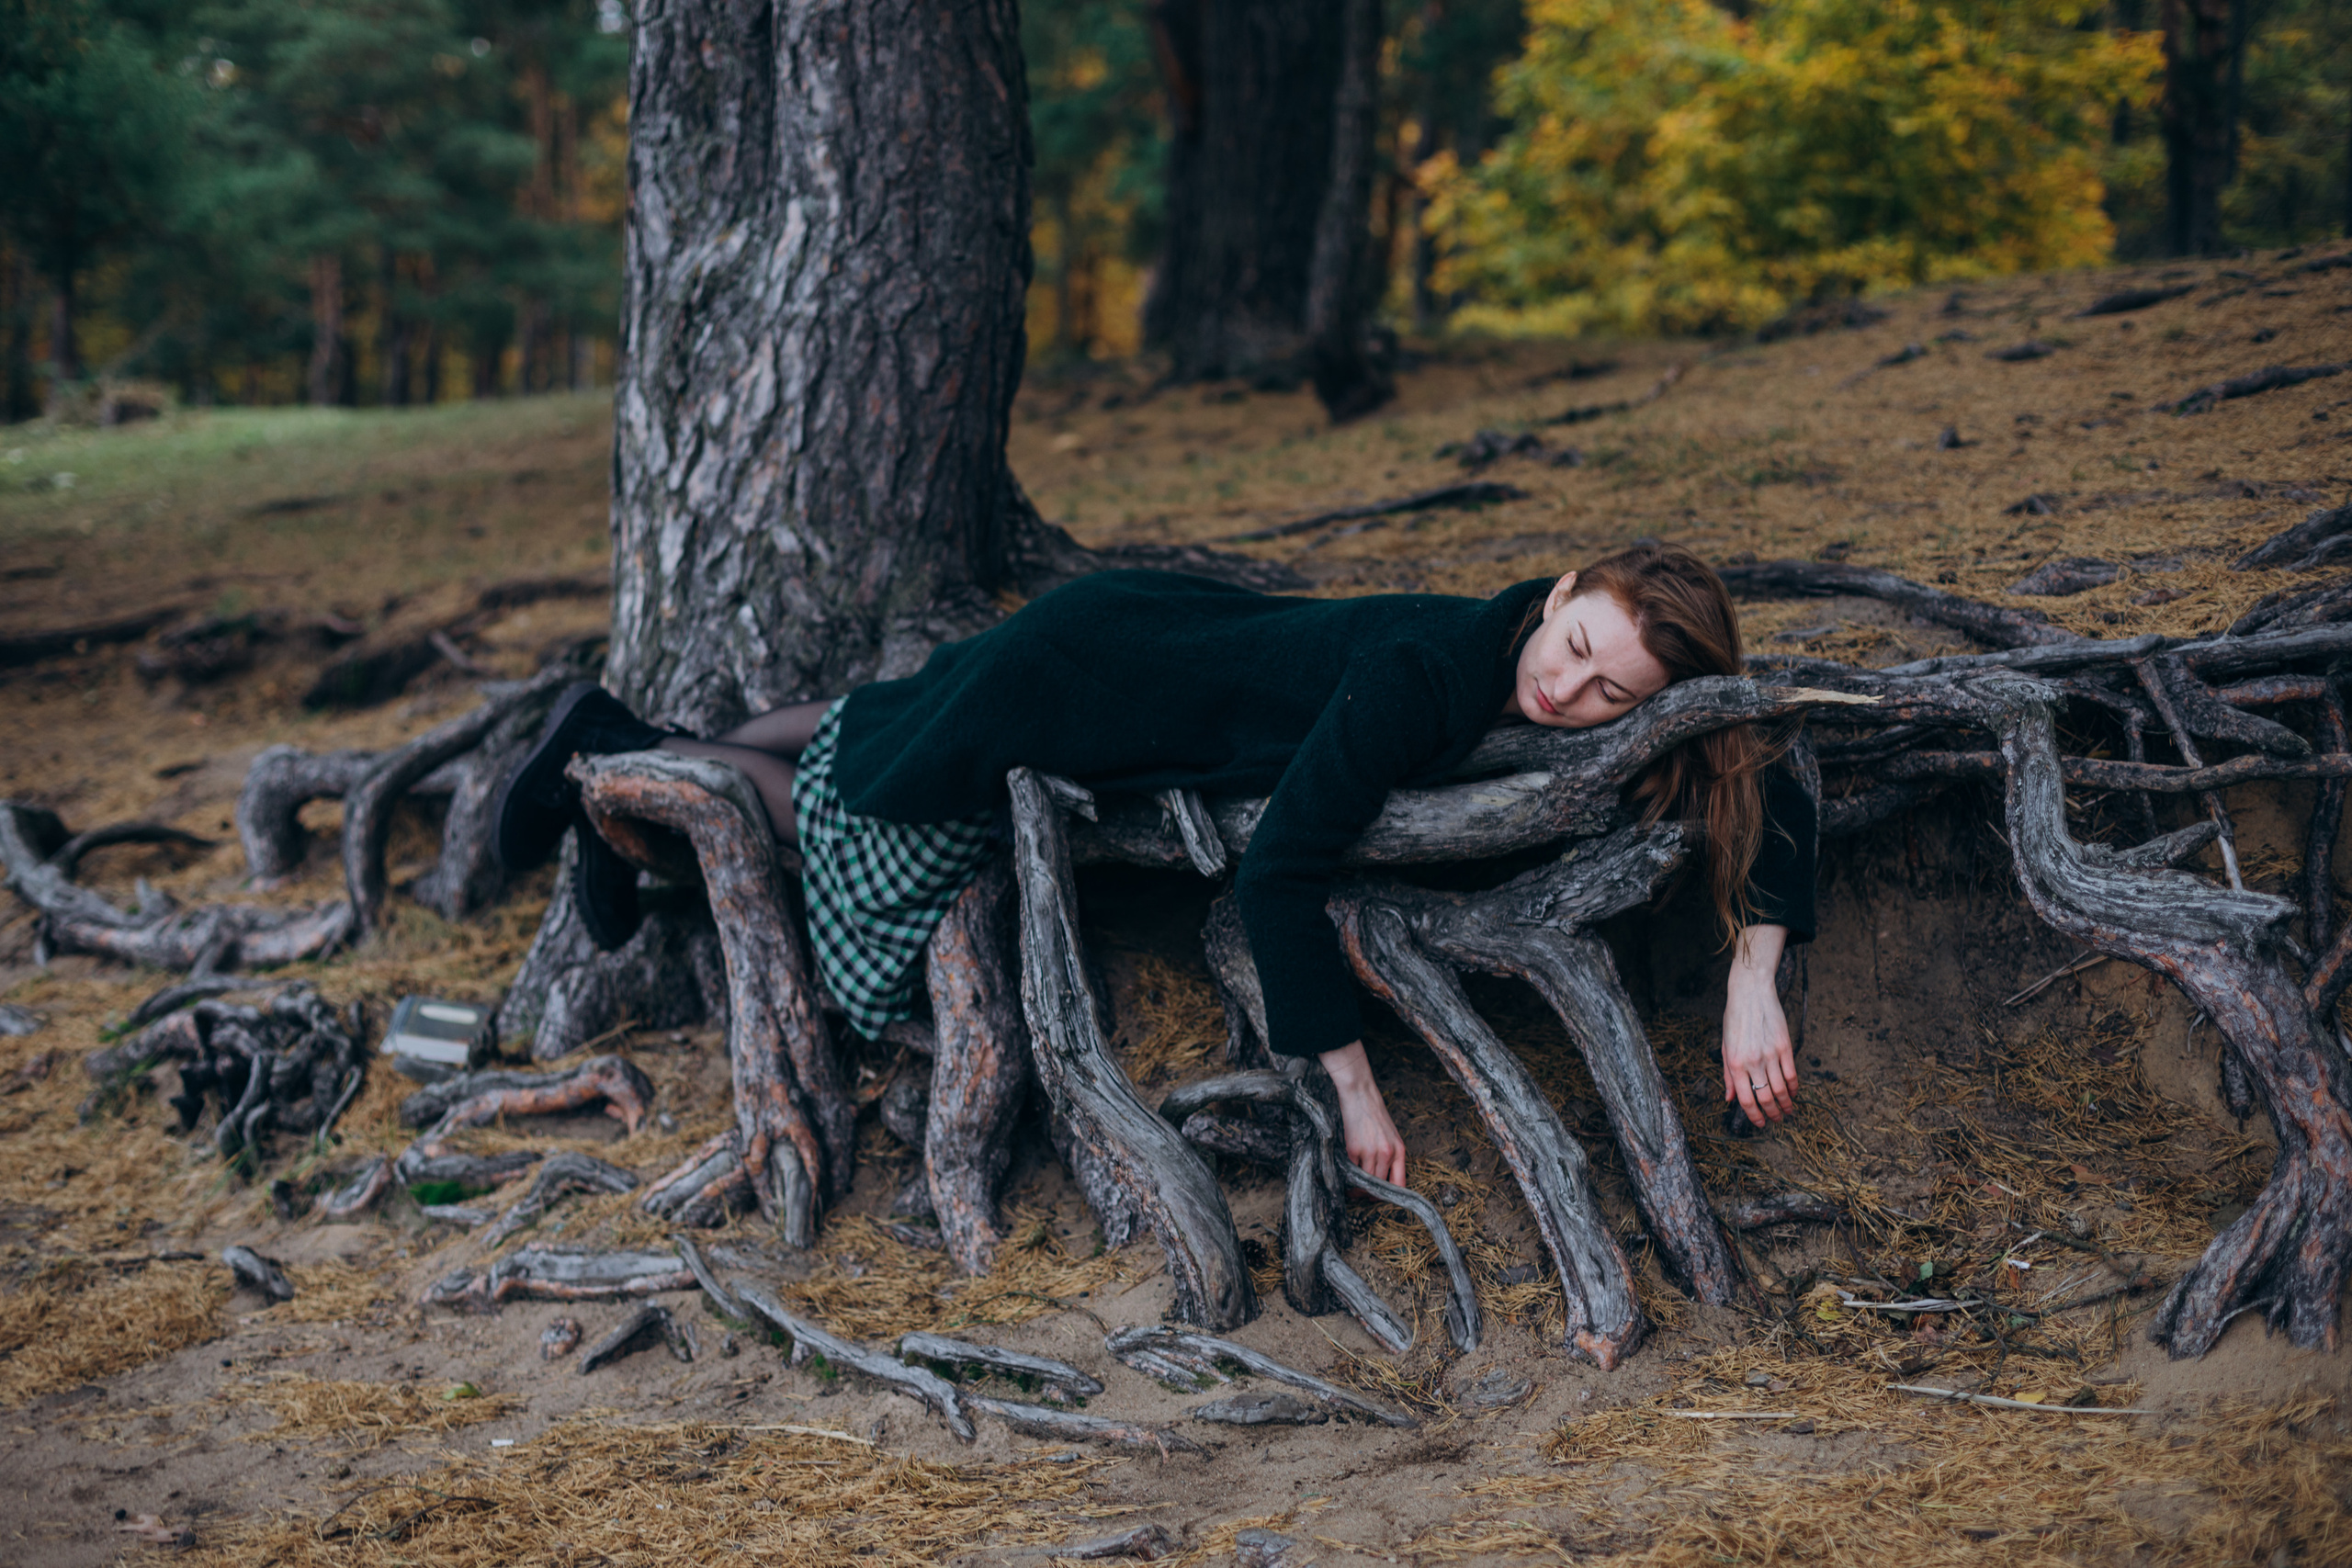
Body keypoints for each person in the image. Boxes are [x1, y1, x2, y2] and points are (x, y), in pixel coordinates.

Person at [493, 543, 1815, 1188]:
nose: (1563, 683)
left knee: (882, 728)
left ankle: (622, 752)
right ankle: (623, 783)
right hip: (1091, 681)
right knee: (872, 808)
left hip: (1143, 630)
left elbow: (1765, 758)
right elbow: (1280, 875)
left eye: (1606, 693)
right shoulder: (1431, 683)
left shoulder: (1544, 652)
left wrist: (1757, 969)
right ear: (1566, 583)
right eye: (1572, 641)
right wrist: (1352, 1087)